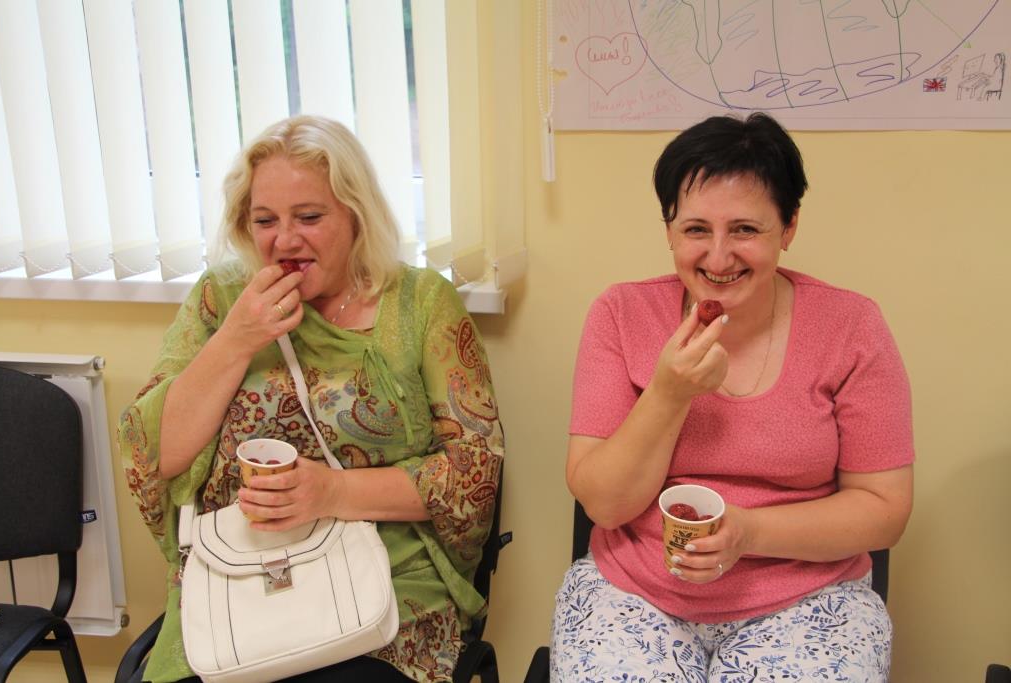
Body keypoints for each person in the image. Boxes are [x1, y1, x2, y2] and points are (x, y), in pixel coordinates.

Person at [119, 115, 504, 683]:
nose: (285, 240)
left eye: (309, 217)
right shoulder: (221, 299)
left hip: (386, 584)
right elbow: (154, 456)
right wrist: (237, 338)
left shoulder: (421, 303)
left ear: (356, 214)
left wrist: (331, 492)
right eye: (265, 221)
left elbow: (474, 472)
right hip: (238, 580)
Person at [551, 112, 913, 682]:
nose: (718, 259)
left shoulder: (852, 327)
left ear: (788, 227)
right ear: (669, 230)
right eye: (696, 230)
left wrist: (749, 533)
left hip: (808, 597)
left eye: (745, 230)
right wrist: (668, 394)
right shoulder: (621, 314)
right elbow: (605, 505)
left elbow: (884, 510)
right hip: (635, 591)